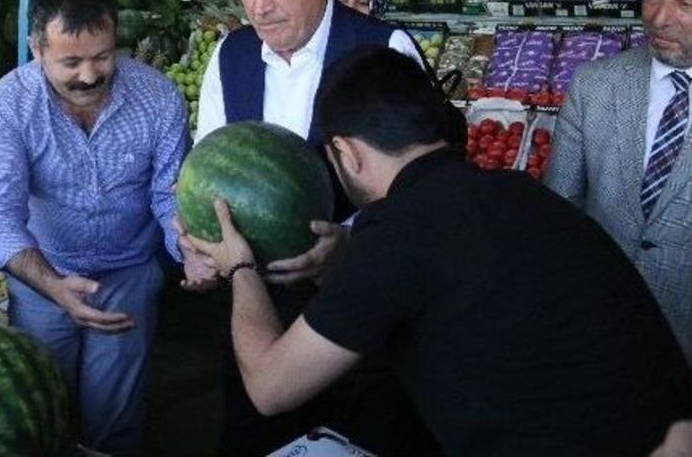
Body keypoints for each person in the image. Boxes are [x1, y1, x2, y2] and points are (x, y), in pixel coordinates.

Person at [180, 47, 692, 457]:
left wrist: (240, 267)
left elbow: (271, 389)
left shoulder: (399, 234)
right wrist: (349, 259)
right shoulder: (517, 191)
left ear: (347, 153)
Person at [191, 0, 436, 456]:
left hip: (358, 311)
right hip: (257, 306)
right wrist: (196, 240)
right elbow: (207, 173)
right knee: (254, 432)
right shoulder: (229, 57)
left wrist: (350, 244)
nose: (259, 6)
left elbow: (424, 192)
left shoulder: (385, 51)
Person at [0, 0, 214, 455]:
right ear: (36, 49)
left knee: (114, 419)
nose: (89, 75)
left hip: (126, 273)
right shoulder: (7, 106)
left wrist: (189, 247)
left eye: (102, 57)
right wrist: (51, 284)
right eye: (70, 62)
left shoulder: (158, 97)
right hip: (44, 273)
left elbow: (169, 198)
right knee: (45, 411)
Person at [545, 0, 692, 365]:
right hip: (599, 340)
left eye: (685, 3)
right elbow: (560, 215)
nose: (661, 17)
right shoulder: (596, 86)